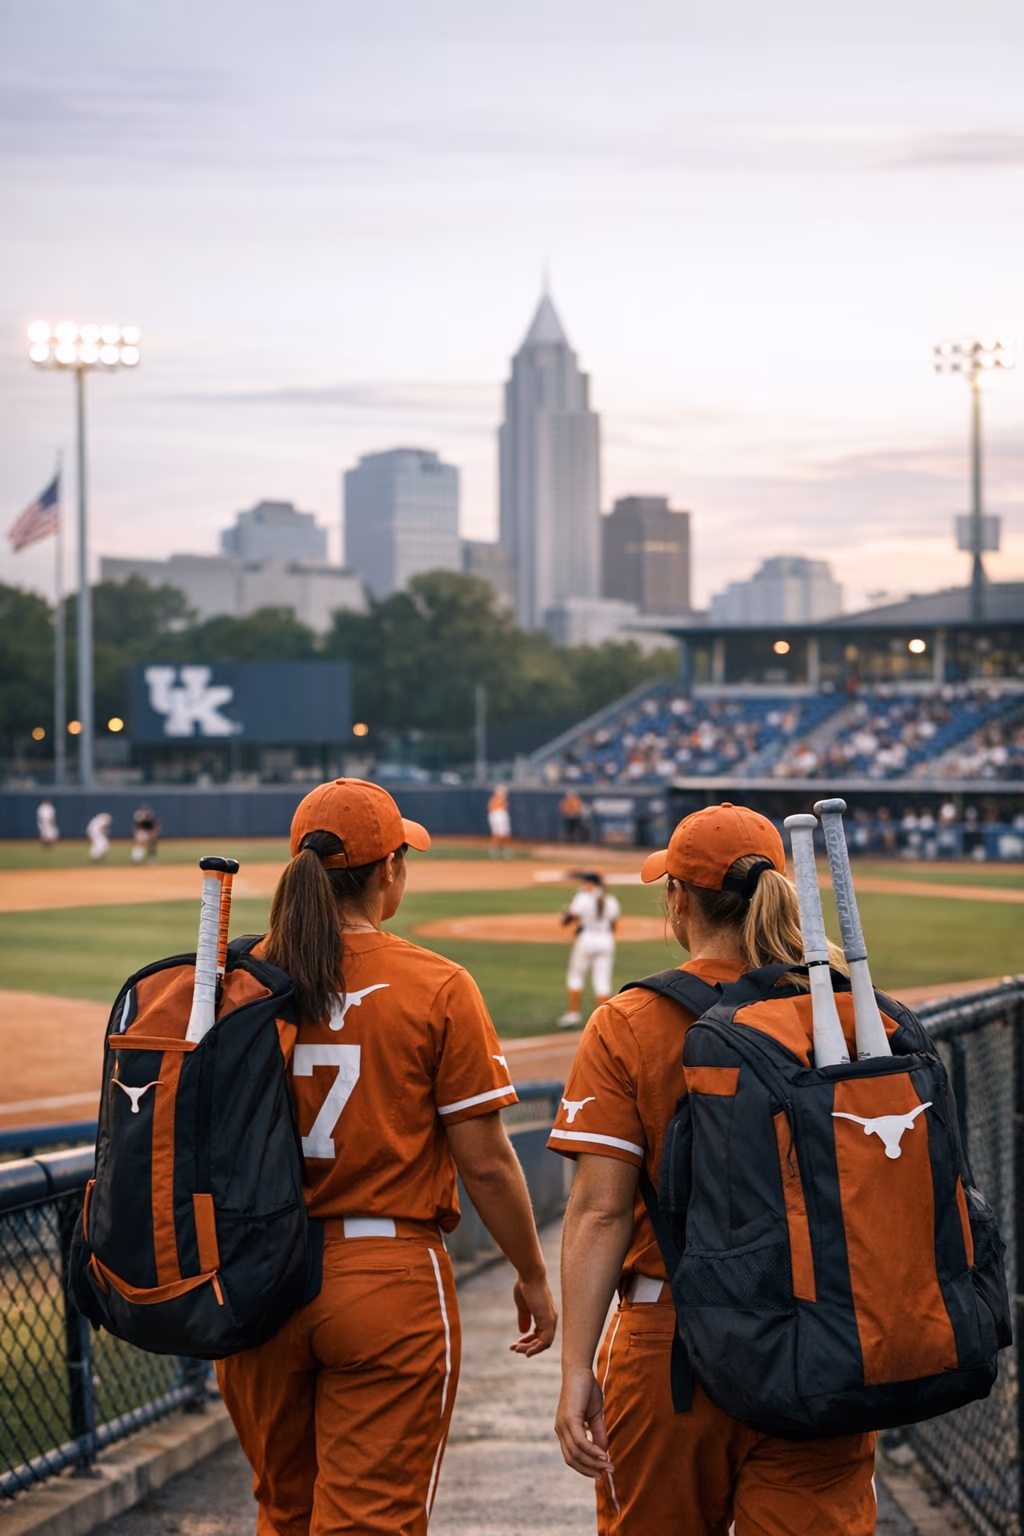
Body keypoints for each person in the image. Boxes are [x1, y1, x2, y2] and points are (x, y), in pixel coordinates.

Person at [217, 778, 557, 1536]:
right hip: (384, 1278)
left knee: (285, 1513)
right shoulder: (436, 983)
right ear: (388, 871)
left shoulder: (236, 981)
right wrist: (532, 1272)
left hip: (253, 1280)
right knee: (370, 1524)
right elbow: (488, 1163)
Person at [550, 802, 875, 1536]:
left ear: (678, 899)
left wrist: (575, 1372)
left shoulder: (629, 1021)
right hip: (823, 1331)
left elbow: (600, 1211)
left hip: (674, 1340)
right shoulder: (849, 1014)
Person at [558, 872, 621, 1028]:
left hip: (587, 939)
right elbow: (613, 925)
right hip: (606, 940)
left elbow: (566, 921)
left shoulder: (583, 898)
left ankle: (573, 1014)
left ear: (591, 884)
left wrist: (566, 913)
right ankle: (605, 1021)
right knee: (602, 981)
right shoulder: (611, 900)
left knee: (576, 976)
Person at [487, 783, 512, 858]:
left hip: (502, 816)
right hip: (496, 817)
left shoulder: (504, 800)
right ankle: (494, 850)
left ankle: (506, 850)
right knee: (496, 834)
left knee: (506, 834)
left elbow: (504, 807)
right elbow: (490, 808)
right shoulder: (494, 800)